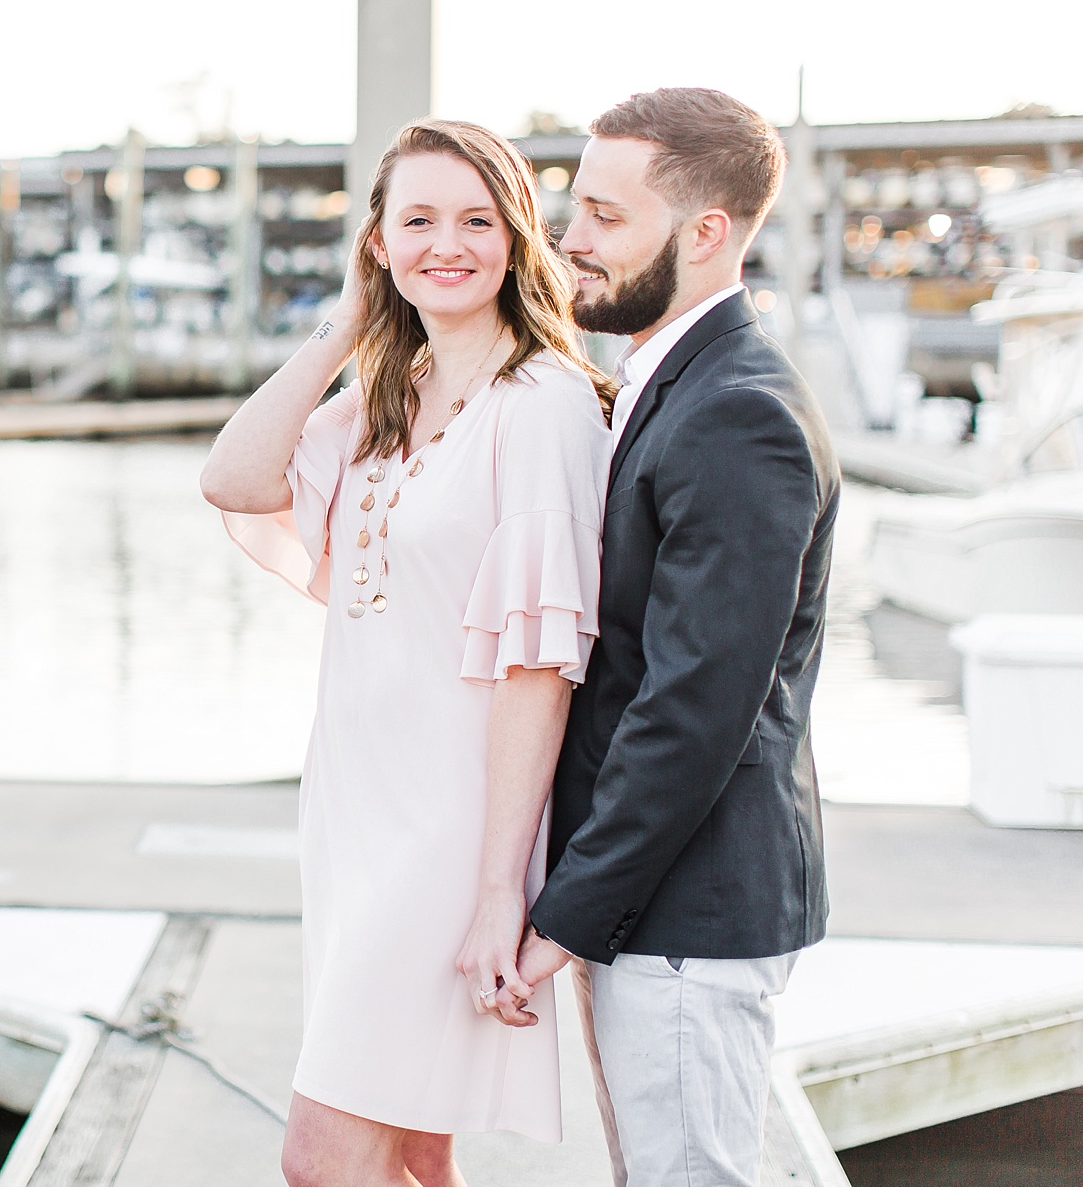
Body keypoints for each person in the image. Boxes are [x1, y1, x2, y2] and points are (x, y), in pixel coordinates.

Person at [201, 118, 614, 1187]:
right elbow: (237, 479)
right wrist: (345, 322)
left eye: (478, 219)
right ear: (377, 241)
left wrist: (498, 890)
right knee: (416, 1147)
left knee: (323, 1156)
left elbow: (539, 664)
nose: (449, 243)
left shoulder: (545, 404)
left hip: (454, 833)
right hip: (356, 813)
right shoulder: (393, 391)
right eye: (417, 218)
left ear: (519, 240)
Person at [505, 88, 841, 1187]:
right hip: (658, 902)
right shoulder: (665, 381)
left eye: (606, 215)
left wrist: (569, 910)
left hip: (686, 911)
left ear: (705, 233)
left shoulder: (738, 411)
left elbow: (695, 705)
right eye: (575, 209)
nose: (571, 239)